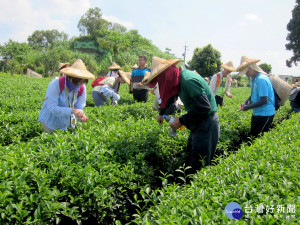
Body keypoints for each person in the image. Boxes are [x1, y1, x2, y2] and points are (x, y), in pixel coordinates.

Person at [142, 57, 219, 174]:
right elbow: (170, 97)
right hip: (197, 119)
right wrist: (161, 113)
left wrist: (182, 120)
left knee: (199, 164)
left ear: (167, 74)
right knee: (190, 155)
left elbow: (204, 107)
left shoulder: (188, 80)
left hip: (206, 122)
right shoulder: (177, 79)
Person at [38, 59, 95, 133]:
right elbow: (52, 108)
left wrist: (81, 115)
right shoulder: (56, 84)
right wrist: (72, 110)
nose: (79, 85)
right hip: (51, 122)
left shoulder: (82, 88)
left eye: (82, 82)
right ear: (70, 77)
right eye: (77, 82)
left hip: (67, 123)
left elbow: (79, 107)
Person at [237, 56, 275, 138]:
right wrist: (246, 102)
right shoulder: (253, 79)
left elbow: (264, 100)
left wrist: (248, 107)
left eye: (246, 72)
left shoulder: (261, 79)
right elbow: (254, 93)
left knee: (257, 138)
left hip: (265, 114)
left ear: (251, 68)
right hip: (257, 112)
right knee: (253, 136)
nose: (246, 74)